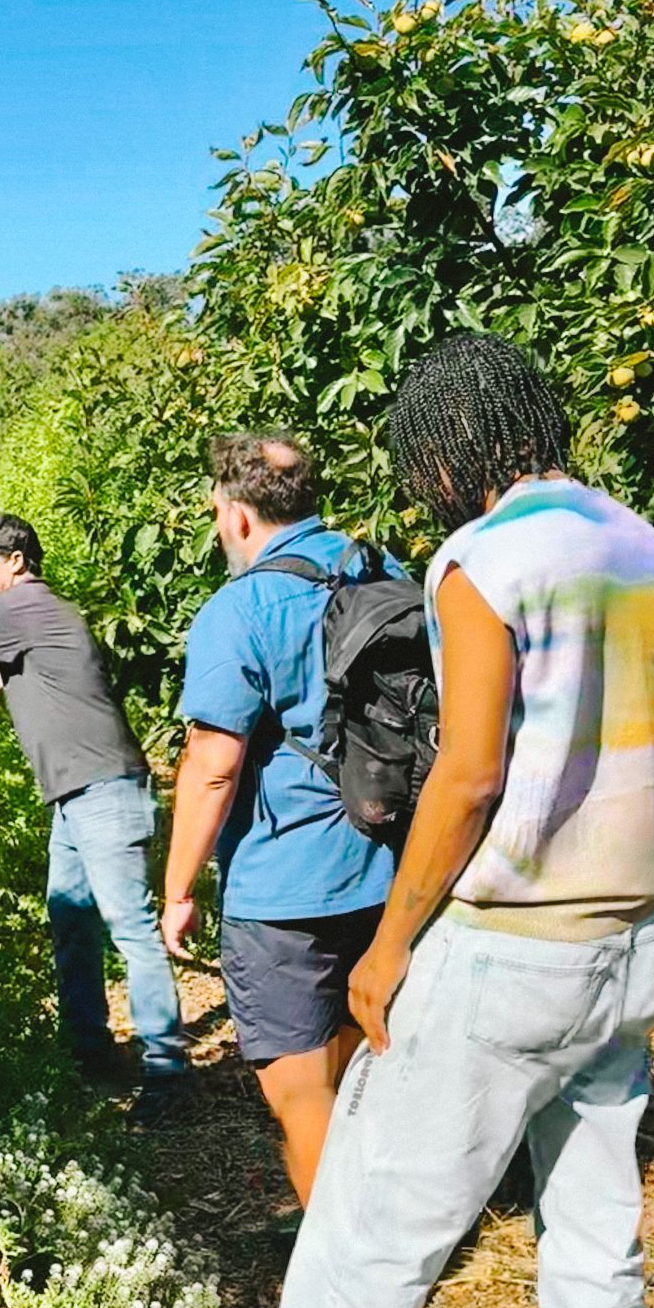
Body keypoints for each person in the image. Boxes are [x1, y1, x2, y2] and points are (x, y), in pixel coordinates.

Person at [216, 335, 654, 1308]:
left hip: (512, 947)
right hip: (633, 938)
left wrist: (389, 944)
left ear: (449, 445)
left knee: (377, 1206)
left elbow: (471, 771)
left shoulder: (482, 559)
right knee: (596, 1233)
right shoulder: (645, 549)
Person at [0, 510, 189, 1112]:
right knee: (71, 920)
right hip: (79, 797)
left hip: (100, 791)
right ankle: (90, 1054)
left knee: (130, 929)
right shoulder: (39, 611)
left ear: (14, 561)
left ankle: (169, 1078)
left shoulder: (9, 608)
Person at [161, 433, 398, 1207]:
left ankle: (348, 1279)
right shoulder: (384, 571)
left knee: (303, 1098)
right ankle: (397, 1229)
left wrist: (178, 888)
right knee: (366, 1072)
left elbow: (214, 764)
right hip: (393, 868)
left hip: (283, 891)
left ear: (234, 517)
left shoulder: (239, 609)